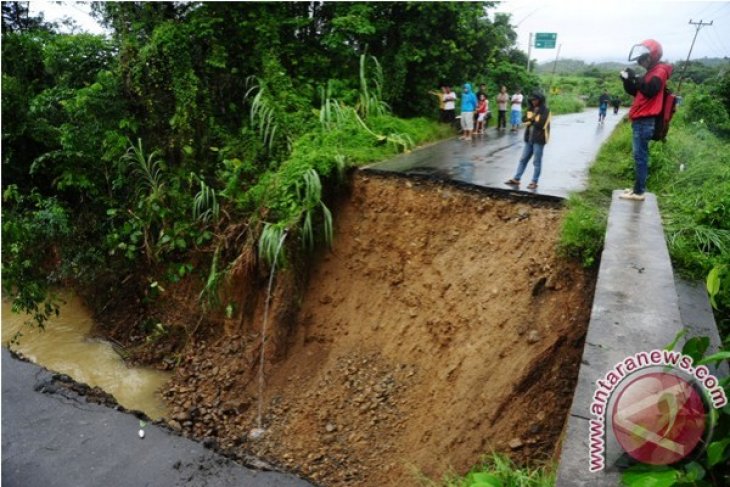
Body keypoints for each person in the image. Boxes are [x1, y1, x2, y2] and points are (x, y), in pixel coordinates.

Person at [619, 39, 673, 201]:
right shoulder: (652, 72)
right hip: (641, 120)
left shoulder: (659, 71)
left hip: (645, 121)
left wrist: (635, 77)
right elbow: (639, 92)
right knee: (639, 156)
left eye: (643, 59)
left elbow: (649, 90)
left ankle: (639, 192)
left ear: (653, 56)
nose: (641, 62)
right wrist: (628, 81)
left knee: (640, 157)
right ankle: (637, 188)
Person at [505, 92, 551, 190]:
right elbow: (524, 120)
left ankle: (534, 182)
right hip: (529, 138)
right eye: (532, 100)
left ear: (540, 100)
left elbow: (541, 124)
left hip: (539, 139)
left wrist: (532, 119)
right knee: (523, 159)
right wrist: (533, 119)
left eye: (535, 100)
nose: (533, 101)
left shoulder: (546, 110)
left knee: (536, 162)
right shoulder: (531, 109)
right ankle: (516, 179)